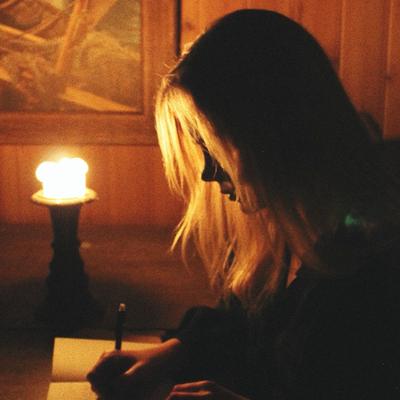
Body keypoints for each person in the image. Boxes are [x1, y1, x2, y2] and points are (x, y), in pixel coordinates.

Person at [87, 9, 400, 399]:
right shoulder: (290, 223)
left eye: (215, 148)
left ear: (274, 131)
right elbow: (250, 324)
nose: (207, 173)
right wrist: (174, 352)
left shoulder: (379, 259)